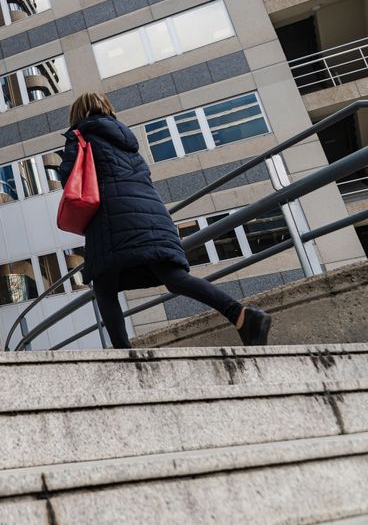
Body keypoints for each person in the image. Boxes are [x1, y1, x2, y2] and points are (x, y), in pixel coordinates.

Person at [57, 92, 271, 349]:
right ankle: (241, 315)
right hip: (153, 214)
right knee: (173, 277)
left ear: (77, 114)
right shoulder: (127, 141)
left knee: (103, 282)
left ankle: (124, 355)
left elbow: (70, 179)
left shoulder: (80, 136)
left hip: (113, 218)